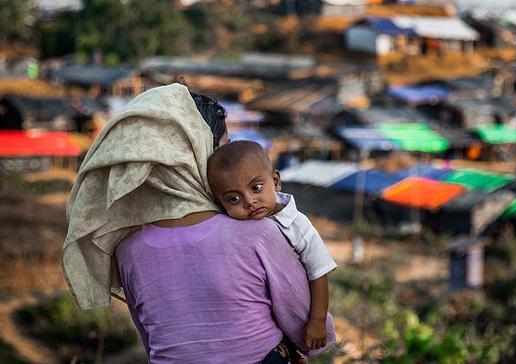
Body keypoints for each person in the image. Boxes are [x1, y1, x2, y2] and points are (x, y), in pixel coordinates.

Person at [62, 83, 335, 363]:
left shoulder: (127, 251)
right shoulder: (256, 232)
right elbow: (306, 328)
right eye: (222, 148)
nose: (230, 161)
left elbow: (152, 338)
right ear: (193, 152)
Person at [208, 141, 337, 350]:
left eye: (256, 188)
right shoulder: (231, 229)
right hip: (259, 323)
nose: (249, 201)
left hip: (299, 317)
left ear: (275, 181)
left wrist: (317, 320)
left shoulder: (298, 225)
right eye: (234, 198)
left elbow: (319, 272)